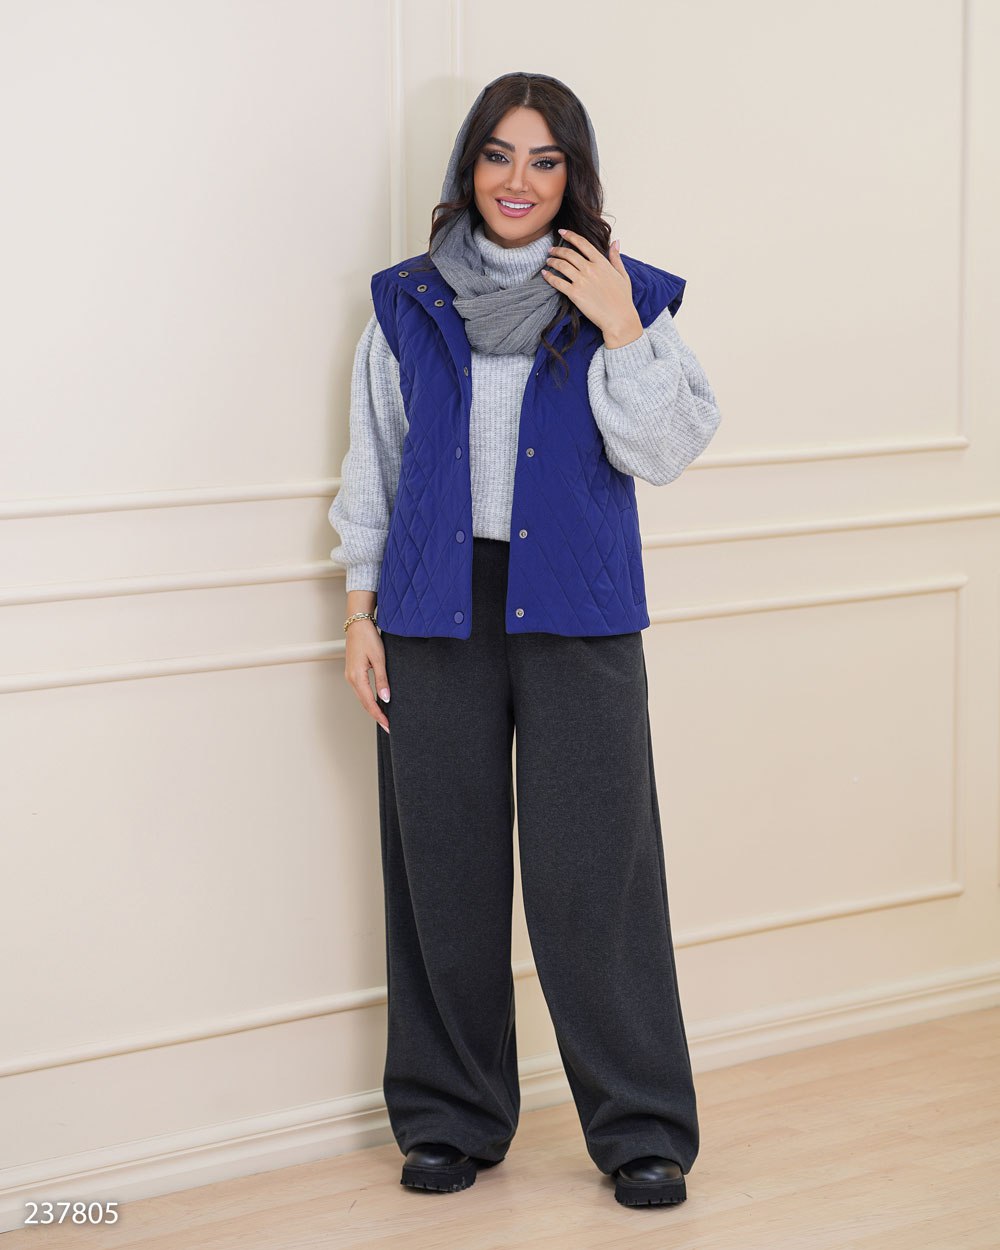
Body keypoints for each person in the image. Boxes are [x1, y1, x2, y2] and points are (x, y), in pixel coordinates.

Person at [328, 70, 722, 1208]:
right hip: (430, 609)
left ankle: (641, 1127)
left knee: (597, 874)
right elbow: (376, 463)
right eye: (499, 155)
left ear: (572, 175)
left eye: (545, 160)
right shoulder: (406, 303)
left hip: (577, 611)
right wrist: (358, 611)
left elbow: (666, 450)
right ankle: (448, 1118)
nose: (518, 180)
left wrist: (619, 323)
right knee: (440, 870)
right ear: (469, 166)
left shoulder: (624, 296)